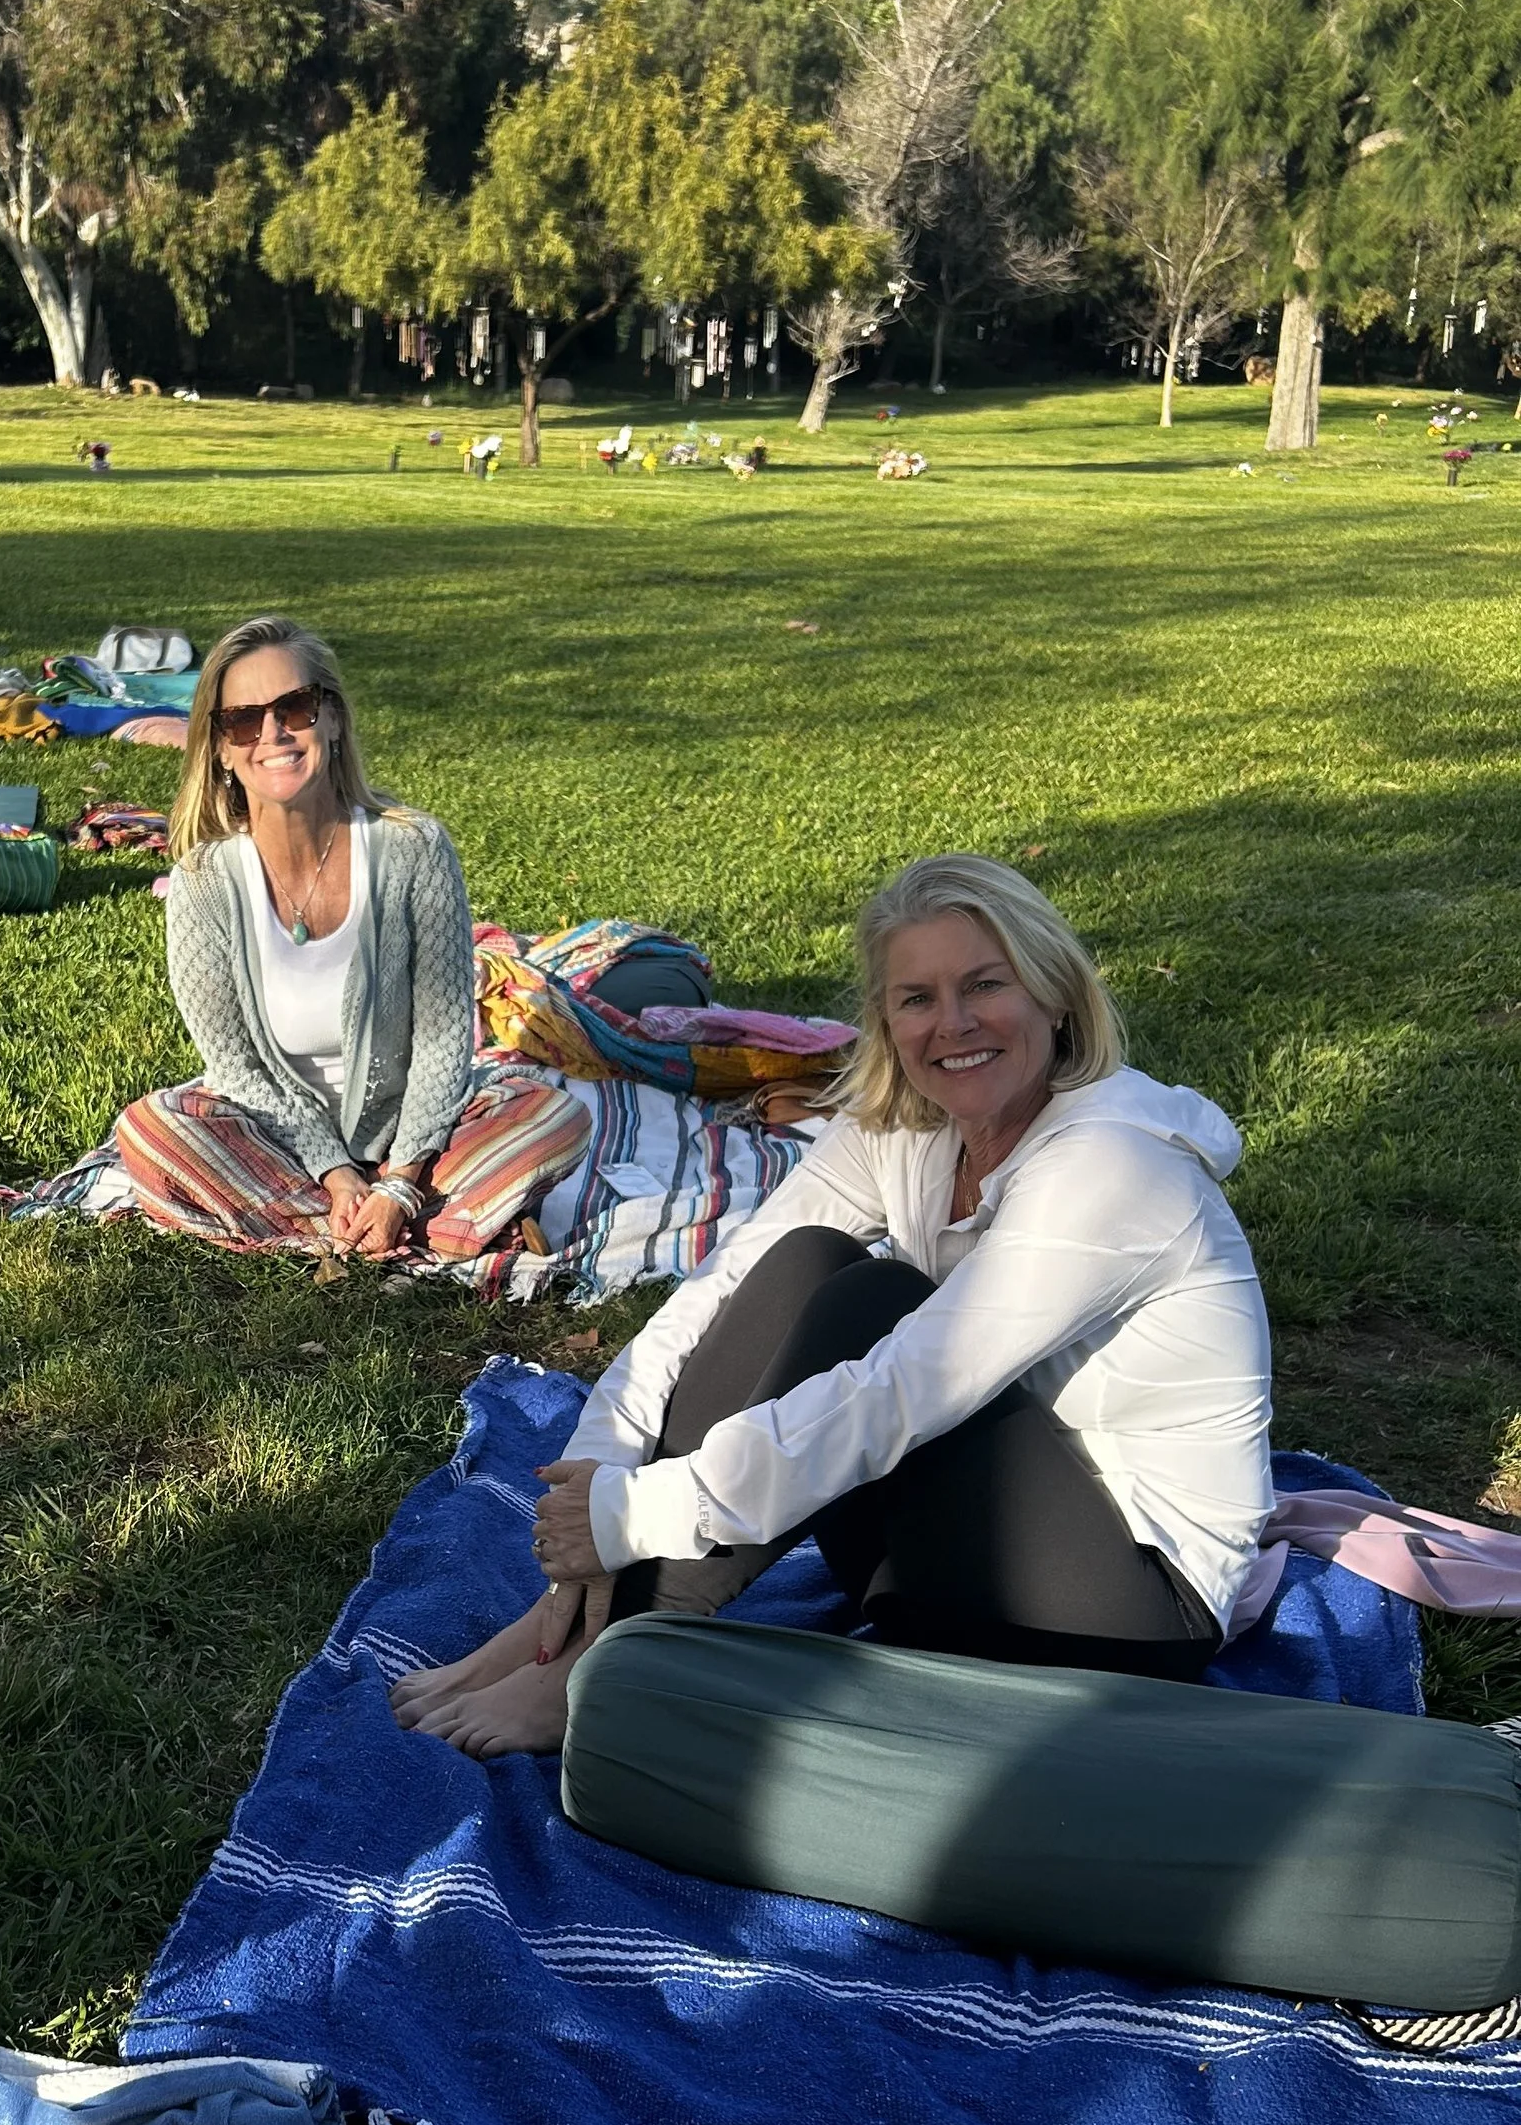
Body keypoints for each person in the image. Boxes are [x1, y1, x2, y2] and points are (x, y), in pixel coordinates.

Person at [395, 854, 1272, 1753]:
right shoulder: (915, 1124)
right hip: (962, 1548)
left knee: (875, 1305)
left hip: (1128, 1609)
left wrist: (634, 1514)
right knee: (808, 1257)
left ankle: (607, 1659)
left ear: (1053, 992)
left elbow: (901, 1391)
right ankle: (579, 1623)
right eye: (917, 998)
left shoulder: (1113, 1166)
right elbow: (727, 1282)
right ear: (887, 1022)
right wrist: (598, 1469)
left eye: (985, 984)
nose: (954, 1023)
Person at [117, 616, 586, 1266]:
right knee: (151, 1130)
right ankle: (417, 1229)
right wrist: (335, 1170)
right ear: (220, 748)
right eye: (244, 720)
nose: (274, 734)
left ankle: (364, 1222)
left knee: (554, 1114)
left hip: (419, 1134)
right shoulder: (203, 884)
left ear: (332, 718)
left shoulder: (413, 848)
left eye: (295, 707)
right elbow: (236, 1068)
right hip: (279, 1134)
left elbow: (446, 1038)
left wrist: (398, 1177)